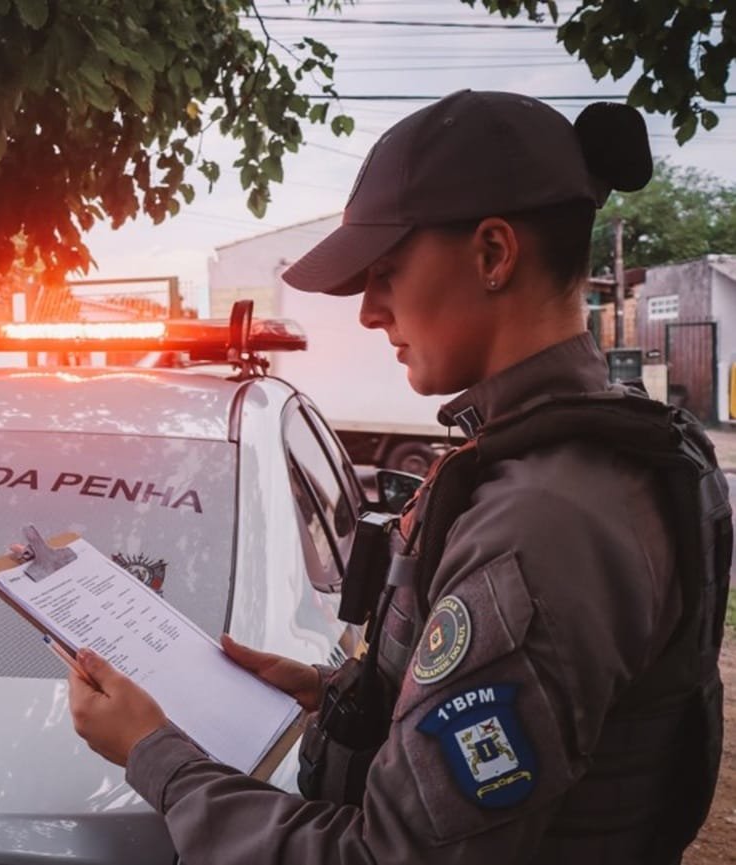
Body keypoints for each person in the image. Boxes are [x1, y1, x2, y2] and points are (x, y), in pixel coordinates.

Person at [66, 90, 730, 864]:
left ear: (492, 254)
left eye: (386, 271)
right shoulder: (580, 459)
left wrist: (158, 757)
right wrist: (339, 694)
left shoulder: (542, 526)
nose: (369, 312)